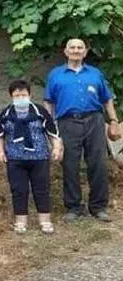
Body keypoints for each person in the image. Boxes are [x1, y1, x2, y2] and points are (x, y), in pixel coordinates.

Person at [44, 38, 121, 222]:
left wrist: (114, 120)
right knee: (70, 165)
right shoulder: (55, 75)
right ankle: (73, 207)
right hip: (67, 122)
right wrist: (50, 129)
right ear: (66, 51)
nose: (76, 50)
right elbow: (48, 101)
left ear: (85, 52)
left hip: (94, 120)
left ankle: (98, 207)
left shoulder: (95, 74)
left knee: (98, 164)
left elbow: (107, 98)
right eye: (72, 47)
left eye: (80, 48)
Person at [0, 80, 62, 234]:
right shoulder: (6, 113)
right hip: (15, 159)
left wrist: (56, 148)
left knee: (42, 189)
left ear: (30, 95)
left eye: (23, 95)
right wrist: (0, 152)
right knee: (19, 190)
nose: (20, 98)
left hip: (39, 158)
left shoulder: (39, 111)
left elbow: (53, 133)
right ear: (11, 96)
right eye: (16, 95)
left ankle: (45, 221)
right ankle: (20, 222)